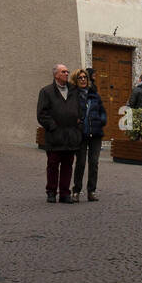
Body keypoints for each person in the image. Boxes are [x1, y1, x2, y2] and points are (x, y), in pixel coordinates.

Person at [38, 63, 82, 202]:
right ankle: (51, 192)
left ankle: (65, 193)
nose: (67, 74)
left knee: (68, 165)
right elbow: (42, 114)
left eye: (67, 72)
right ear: (56, 75)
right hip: (55, 136)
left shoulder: (74, 91)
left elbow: (80, 108)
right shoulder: (46, 91)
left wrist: (78, 124)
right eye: (63, 72)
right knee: (53, 165)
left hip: (70, 135)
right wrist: (53, 126)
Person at [71, 69, 107, 202]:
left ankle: (91, 191)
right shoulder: (73, 95)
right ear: (76, 80)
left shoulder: (94, 95)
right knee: (80, 163)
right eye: (80, 78)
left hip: (96, 133)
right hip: (81, 133)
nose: (83, 80)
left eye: (85, 77)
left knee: (94, 163)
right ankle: (76, 191)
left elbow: (102, 111)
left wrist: (101, 120)